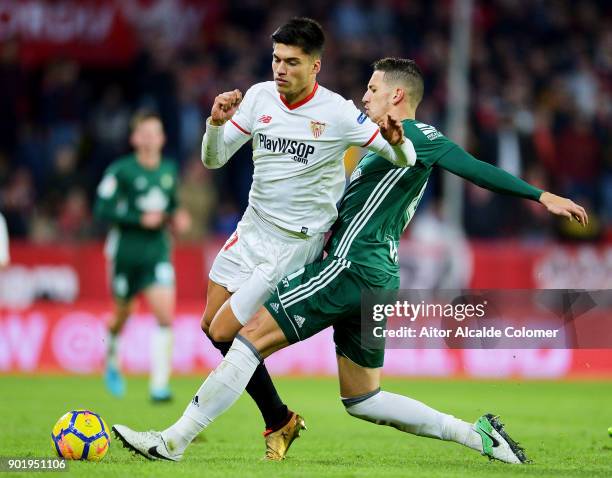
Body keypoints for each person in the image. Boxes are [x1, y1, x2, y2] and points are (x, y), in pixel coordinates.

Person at [113, 58, 589, 463]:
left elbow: (475, 169)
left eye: (373, 89)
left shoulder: (420, 137)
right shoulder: (374, 142)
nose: (364, 96)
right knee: (363, 399)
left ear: (397, 96)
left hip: (350, 266)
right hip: (377, 276)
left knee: (245, 338)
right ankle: (476, 434)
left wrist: (540, 195)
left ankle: (172, 441)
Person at [197, 18, 416, 459]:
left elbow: (404, 157)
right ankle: (279, 418)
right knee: (210, 327)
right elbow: (215, 160)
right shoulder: (259, 96)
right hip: (251, 228)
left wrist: (398, 142)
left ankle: (189, 432)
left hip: (293, 243)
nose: (280, 68)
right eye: (276, 58)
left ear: (315, 66)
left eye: (291, 61)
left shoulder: (337, 113)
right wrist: (216, 126)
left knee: (228, 330)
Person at [94, 111, 190, 402]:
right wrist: (138, 218)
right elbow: (102, 209)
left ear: (162, 138)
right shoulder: (121, 170)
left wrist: (178, 217)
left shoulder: (169, 170)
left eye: (155, 133)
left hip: (156, 252)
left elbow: (171, 206)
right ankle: (111, 360)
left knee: (164, 316)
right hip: (125, 253)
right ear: (135, 138)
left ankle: (159, 386)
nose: (149, 139)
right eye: (144, 134)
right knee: (122, 315)